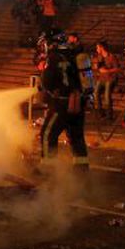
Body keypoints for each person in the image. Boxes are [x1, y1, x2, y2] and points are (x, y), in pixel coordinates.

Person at [38, 35, 89, 173]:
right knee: (76, 136)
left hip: (61, 104)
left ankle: (47, 171)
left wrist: (44, 85)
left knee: (47, 134)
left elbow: (47, 81)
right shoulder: (75, 55)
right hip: (78, 102)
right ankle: (81, 170)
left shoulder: (54, 57)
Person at [91, 39, 120, 119]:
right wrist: (95, 67)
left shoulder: (111, 56)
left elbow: (117, 68)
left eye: (97, 47)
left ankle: (109, 115)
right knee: (95, 94)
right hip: (101, 79)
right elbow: (95, 68)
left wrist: (108, 71)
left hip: (109, 79)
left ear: (102, 48)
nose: (96, 49)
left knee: (107, 97)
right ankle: (101, 113)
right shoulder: (98, 57)